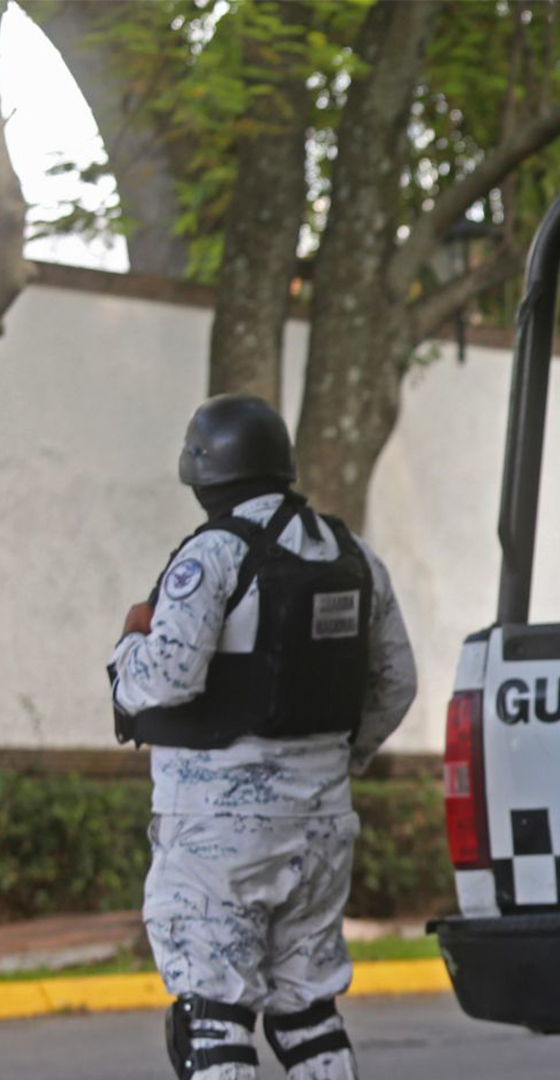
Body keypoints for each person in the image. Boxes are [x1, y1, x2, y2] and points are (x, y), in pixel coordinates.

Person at [110, 394, 417, 1080]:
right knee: (307, 1014)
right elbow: (395, 682)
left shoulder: (214, 555)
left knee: (212, 1020)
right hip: (321, 823)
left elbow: (162, 678)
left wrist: (127, 645)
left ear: (202, 472)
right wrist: (338, 759)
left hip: (216, 829)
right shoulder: (353, 555)